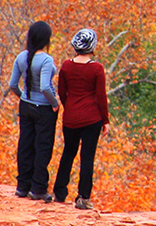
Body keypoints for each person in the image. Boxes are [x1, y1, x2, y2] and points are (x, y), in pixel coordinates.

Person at [53, 28, 108, 210]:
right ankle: (83, 198)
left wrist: (70, 108)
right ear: (92, 46)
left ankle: (59, 192)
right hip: (92, 119)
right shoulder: (97, 68)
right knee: (87, 157)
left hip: (71, 118)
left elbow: (61, 92)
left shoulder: (66, 66)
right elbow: (101, 96)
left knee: (68, 153)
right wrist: (105, 120)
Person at [7, 20, 60, 201]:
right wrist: (55, 104)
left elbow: (13, 84)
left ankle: (23, 186)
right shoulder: (46, 59)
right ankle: (38, 188)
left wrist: (24, 97)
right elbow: (45, 87)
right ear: (46, 39)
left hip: (26, 105)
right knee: (43, 147)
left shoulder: (21, 57)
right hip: (43, 108)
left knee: (25, 144)